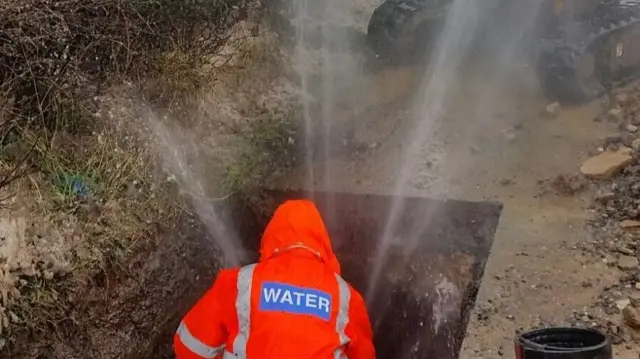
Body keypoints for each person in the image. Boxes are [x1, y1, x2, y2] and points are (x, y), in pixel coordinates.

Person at [174, 199, 376, 359]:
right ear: (323, 243)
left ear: (270, 237)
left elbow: (189, 346)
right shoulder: (347, 297)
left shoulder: (239, 282)